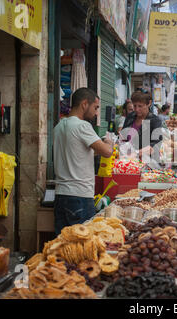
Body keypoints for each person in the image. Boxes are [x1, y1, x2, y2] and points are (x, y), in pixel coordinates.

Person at [53, 88, 114, 235]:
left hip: (61, 195)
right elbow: (107, 152)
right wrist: (109, 142)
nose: (96, 112)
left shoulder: (59, 126)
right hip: (79, 196)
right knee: (83, 244)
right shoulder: (82, 126)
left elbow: (76, 153)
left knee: (63, 244)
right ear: (84, 104)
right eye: (95, 107)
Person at [121, 91, 163, 158]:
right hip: (127, 158)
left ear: (148, 104)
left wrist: (136, 153)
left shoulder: (155, 121)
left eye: (140, 106)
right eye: (135, 106)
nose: (137, 109)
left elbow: (155, 144)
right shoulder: (130, 117)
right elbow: (123, 137)